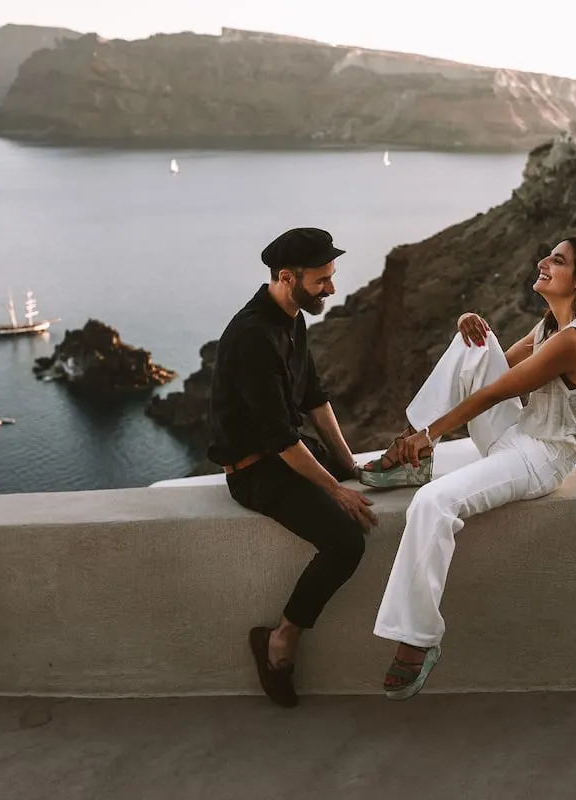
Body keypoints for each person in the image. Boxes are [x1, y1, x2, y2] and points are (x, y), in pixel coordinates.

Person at [361, 236, 576, 700]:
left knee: (433, 503)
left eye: (558, 260)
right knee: (474, 341)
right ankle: (415, 457)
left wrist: (429, 432)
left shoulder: (575, 341)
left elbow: (493, 393)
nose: (543, 263)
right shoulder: (552, 325)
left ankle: (417, 640)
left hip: (540, 458)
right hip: (517, 432)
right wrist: (468, 329)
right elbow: (493, 370)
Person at [207, 227, 378, 709]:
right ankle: (280, 639)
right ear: (287, 277)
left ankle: (281, 637)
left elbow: (313, 398)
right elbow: (278, 438)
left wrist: (348, 468)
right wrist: (337, 491)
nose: (331, 288)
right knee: (345, 543)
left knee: (377, 480)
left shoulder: (292, 317)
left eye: (331, 277)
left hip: (286, 453)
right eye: (322, 280)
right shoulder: (251, 336)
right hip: (255, 472)